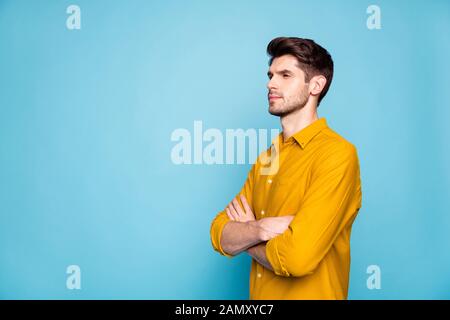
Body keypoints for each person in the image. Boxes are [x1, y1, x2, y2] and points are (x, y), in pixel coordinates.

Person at [210, 37, 362, 300]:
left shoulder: (337, 155)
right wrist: (261, 228)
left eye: (285, 75)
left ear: (315, 85)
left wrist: (246, 237)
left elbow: (296, 259)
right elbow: (219, 233)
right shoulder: (266, 160)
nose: (271, 83)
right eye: (270, 75)